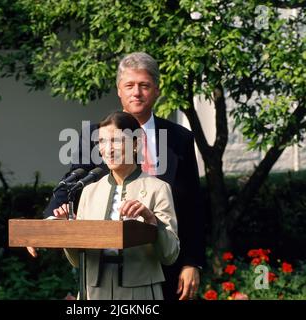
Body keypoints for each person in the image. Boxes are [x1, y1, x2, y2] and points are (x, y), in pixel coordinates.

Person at [34, 52, 205, 300]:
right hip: (102, 274)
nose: (137, 92)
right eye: (129, 85)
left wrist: (193, 262)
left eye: (144, 85)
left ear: (157, 90)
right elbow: (71, 184)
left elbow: (193, 205)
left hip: (165, 261)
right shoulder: (94, 134)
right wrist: (47, 225)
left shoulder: (180, 138)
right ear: (119, 91)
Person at [56, 111, 179, 300]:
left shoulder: (158, 188)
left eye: (116, 141)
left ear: (136, 143)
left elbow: (170, 254)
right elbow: (77, 261)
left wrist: (151, 220)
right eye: (102, 142)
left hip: (139, 290)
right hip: (93, 290)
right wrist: (68, 231)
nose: (108, 149)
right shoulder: (89, 190)